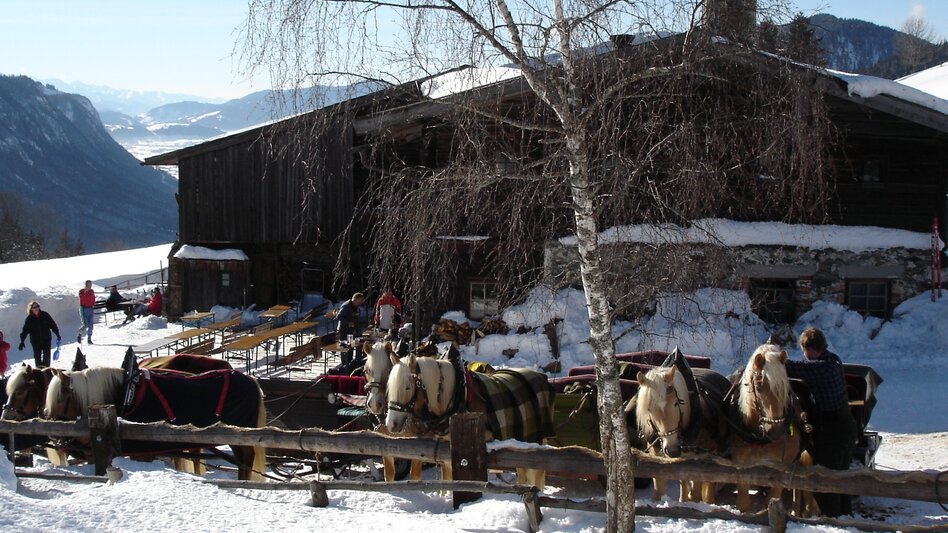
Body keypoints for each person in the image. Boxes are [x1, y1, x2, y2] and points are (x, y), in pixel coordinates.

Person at [785, 327, 858, 517]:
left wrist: (774, 359)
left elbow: (794, 367)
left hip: (833, 432)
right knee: (841, 477)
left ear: (810, 349)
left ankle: (831, 520)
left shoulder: (822, 368)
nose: (804, 355)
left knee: (826, 479)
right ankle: (845, 517)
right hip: (845, 426)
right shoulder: (832, 359)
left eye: (804, 351)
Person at [18, 301, 61, 368]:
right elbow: (25, 331)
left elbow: (53, 325)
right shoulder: (29, 319)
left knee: (46, 356)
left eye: (37, 306)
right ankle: (39, 373)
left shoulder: (45, 315)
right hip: (35, 341)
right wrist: (22, 341)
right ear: (31, 309)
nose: (36, 308)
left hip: (46, 339)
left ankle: (46, 371)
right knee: (37, 357)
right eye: (34, 307)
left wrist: (57, 334)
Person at [77, 279, 96, 344]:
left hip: (90, 308)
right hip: (83, 309)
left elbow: (93, 298)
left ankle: (89, 339)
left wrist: (92, 304)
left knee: (91, 325)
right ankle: (79, 334)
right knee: (85, 325)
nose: (90, 286)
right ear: (86, 285)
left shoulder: (92, 291)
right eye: (89, 284)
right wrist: (85, 292)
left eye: (91, 284)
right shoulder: (81, 291)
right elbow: (81, 298)